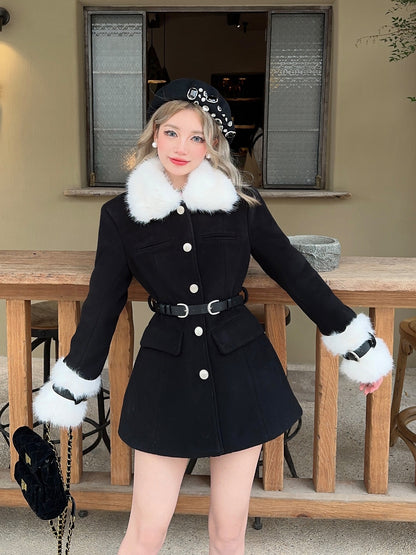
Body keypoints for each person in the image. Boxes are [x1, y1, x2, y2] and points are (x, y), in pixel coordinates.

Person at [34, 78, 392, 555]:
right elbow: (102, 303)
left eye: (197, 136)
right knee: (145, 532)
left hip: (240, 369)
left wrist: (359, 349)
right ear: (154, 134)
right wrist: (71, 386)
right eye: (171, 132)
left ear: (214, 144)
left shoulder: (241, 203)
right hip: (166, 375)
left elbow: (294, 272)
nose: (181, 147)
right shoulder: (121, 214)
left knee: (228, 534)